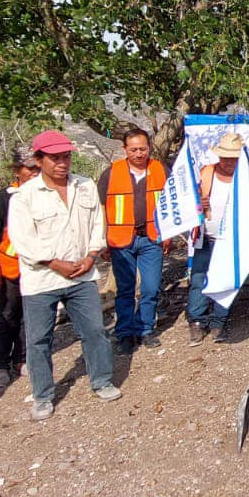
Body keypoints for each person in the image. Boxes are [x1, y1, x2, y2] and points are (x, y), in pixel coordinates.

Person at [8, 129, 119, 419]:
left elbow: (97, 222)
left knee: (95, 331)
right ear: (39, 160)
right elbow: (22, 240)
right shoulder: (24, 197)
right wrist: (53, 262)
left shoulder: (84, 186)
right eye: (55, 158)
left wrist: (92, 254)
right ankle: (43, 395)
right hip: (42, 279)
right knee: (39, 340)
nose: (62, 163)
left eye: (66, 157)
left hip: (82, 274)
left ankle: (101, 380)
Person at [97, 128, 170, 353]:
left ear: (149, 147)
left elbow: (170, 205)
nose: (139, 154)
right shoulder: (111, 173)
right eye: (133, 149)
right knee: (126, 289)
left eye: (143, 149)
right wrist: (103, 242)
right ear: (124, 150)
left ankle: (146, 329)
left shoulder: (160, 169)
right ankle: (125, 332)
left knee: (150, 287)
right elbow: (101, 209)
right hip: (121, 241)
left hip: (152, 238)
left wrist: (168, 236)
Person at [0, 149, 40, 388]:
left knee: (31, 314)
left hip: (36, 266)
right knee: (7, 315)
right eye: (29, 169)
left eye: (37, 168)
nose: (34, 173)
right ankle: (1, 364)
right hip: (10, 266)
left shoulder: (45, 194)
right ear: (17, 170)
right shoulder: (3, 198)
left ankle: (22, 359)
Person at [185, 131, 246, 345]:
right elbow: (189, 202)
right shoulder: (206, 173)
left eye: (234, 157)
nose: (229, 162)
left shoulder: (244, 177)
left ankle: (219, 322)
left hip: (231, 240)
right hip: (207, 236)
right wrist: (197, 205)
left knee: (227, 281)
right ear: (219, 156)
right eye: (226, 157)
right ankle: (197, 321)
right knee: (199, 278)